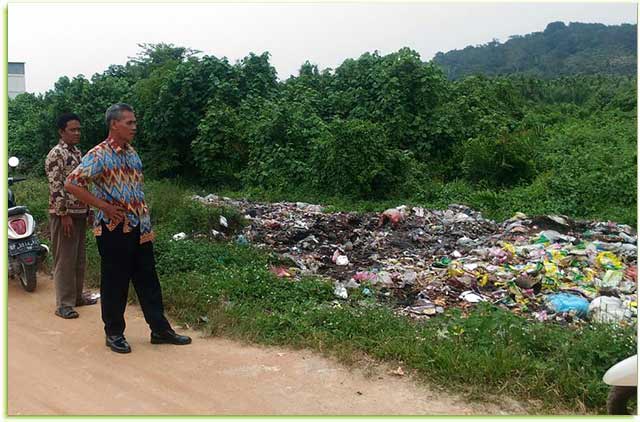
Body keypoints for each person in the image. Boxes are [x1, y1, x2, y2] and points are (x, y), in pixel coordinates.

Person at [64, 103, 191, 354]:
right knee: (115, 283)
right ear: (114, 124)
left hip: (140, 227)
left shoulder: (132, 153)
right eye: (129, 122)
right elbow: (72, 183)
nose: (135, 127)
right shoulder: (99, 154)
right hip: (113, 228)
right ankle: (114, 333)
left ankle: (160, 329)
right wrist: (103, 206)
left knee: (148, 280)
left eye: (135, 122)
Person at [45, 113, 98, 320]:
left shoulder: (77, 152)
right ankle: (63, 304)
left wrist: (90, 209)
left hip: (80, 212)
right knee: (65, 259)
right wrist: (63, 214)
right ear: (61, 132)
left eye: (78, 129)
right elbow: (56, 186)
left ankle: (77, 297)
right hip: (64, 215)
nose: (77, 133)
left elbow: (84, 183)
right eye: (72, 130)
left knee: (79, 259)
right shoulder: (55, 154)